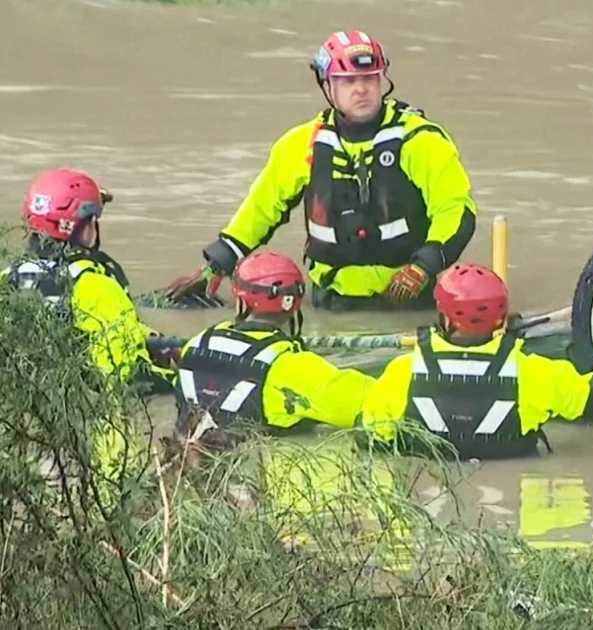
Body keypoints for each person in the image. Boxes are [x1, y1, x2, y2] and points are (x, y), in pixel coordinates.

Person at [163, 30, 478, 311]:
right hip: (330, 300)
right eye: (348, 81)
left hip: (410, 296)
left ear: (382, 82)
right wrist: (216, 266)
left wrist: (423, 267)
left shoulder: (421, 140)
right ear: (327, 86)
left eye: (370, 79)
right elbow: (261, 209)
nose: (361, 90)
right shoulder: (302, 144)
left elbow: (455, 210)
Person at [358, 262, 593, 460]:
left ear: (445, 316)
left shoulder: (402, 372)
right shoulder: (532, 371)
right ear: (502, 318)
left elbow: (369, 437)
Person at [172, 250, 376, 447]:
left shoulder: (197, 343)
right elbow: (378, 406)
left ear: (241, 301)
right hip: (255, 477)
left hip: (186, 467)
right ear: (296, 306)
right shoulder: (294, 367)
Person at [4, 168, 174, 393]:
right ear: (79, 225)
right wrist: (181, 380)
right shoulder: (98, 287)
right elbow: (131, 376)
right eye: (93, 218)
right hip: (93, 418)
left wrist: (153, 338)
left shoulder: (9, 278)